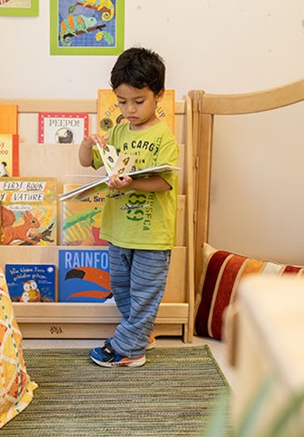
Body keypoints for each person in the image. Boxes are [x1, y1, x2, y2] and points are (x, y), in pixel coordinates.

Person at [77, 47, 179, 367]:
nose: (129, 109)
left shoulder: (164, 137)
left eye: (138, 101)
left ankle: (128, 350)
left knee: (145, 293)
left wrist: (131, 183)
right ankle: (140, 333)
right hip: (118, 230)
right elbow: (88, 162)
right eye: (122, 102)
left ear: (158, 95)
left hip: (151, 234)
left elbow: (166, 182)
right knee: (122, 290)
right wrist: (86, 144)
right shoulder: (118, 132)